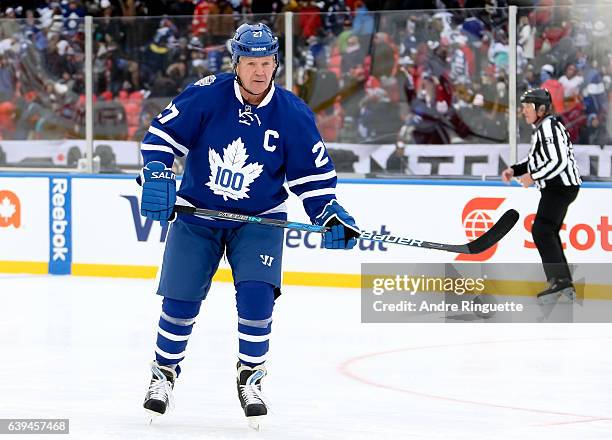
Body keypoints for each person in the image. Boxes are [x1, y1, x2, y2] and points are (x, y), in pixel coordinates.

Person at [138, 23, 360, 428]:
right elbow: (160, 136)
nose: (260, 71)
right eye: (251, 63)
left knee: (257, 297)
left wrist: (327, 211)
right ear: (236, 63)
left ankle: (251, 376)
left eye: (267, 62)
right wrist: (156, 171)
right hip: (198, 214)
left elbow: (312, 179)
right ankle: (164, 374)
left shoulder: (292, 113)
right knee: (180, 300)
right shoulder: (207, 94)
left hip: (260, 220)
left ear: (276, 62)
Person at [502, 88, 581, 304]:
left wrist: (533, 177)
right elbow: (534, 160)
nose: (524, 110)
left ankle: (559, 281)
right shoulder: (543, 129)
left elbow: (558, 161)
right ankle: (562, 282)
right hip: (559, 187)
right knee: (548, 231)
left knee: (542, 229)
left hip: (560, 186)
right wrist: (515, 170)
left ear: (542, 109)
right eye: (524, 106)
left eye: (528, 106)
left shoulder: (549, 127)